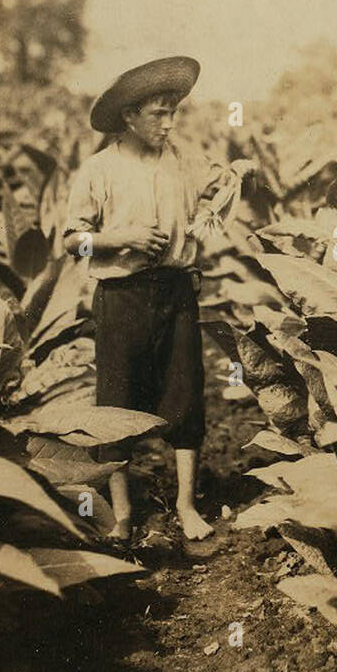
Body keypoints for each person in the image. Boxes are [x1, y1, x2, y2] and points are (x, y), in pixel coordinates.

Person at [62, 56, 232, 542]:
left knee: (185, 395)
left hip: (177, 292)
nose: (169, 123)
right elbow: (74, 240)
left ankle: (184, 505)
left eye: (174, 111)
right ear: (129, 117)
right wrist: (121, 238)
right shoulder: (100, 170)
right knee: (116, 403)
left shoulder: (185, 162)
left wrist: (223, 194)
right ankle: (121, 513)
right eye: (159, 113)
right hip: (121, 296)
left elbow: (223, 182)